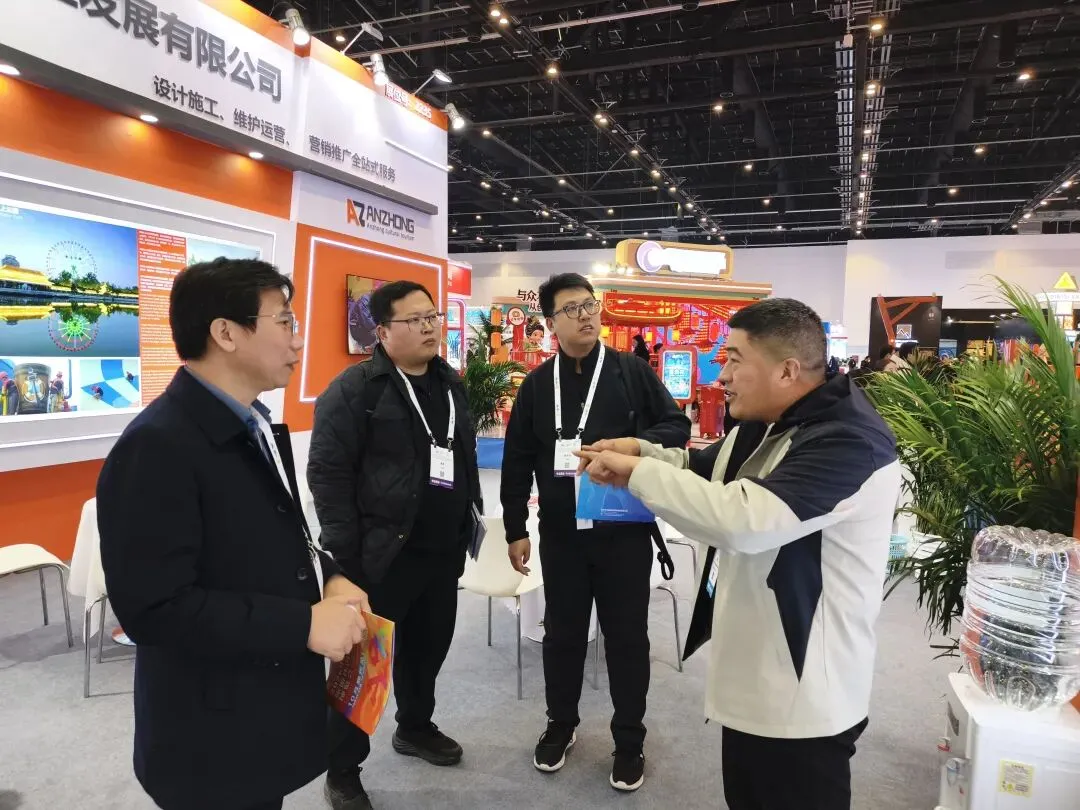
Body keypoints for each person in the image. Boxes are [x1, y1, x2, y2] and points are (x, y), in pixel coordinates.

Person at [576, 298, 901, 810]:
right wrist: (642, 452)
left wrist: (638, 471)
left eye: (733, 359)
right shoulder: (765, 420)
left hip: (804, 695)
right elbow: (706, 470)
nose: (721, 374)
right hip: (756, 675)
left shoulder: (849, 441)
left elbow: (744, 519)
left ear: (787, 370)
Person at [97, 258, 371, 810]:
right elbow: (153, 609)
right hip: (207, 733)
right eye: (284, 322)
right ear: (225, 332)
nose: (297, 340)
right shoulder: (158, 446)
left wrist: (331, 575)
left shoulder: (254, 421)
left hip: (258, 709)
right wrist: (302, 624)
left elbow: (278, 530)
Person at [501, 273, 690, 793]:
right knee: (562, 635)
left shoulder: (631, 372)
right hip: (561, 535)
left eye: (590, 305)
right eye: (572, 309)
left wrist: (634, 444)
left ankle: (629, 740)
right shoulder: (537, 386)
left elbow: (676, 427)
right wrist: (515, 528)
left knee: (627, 638)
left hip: (623, 532)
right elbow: (517, 460)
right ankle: (560, 725)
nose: (586, 315)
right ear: (550, 323)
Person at [308, 280, 483, 810]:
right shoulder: (355, 390)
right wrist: (343, 562)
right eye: (415, 320)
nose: (430, 327)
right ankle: (343, 768)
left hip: (440, 552)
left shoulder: (450, 383)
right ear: (383, 332)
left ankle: (415, 727)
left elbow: (463, 457)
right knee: (361, 668)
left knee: (427, 650)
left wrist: (471, 518)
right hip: (379, 558)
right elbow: (328, 475)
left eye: (433, 317)